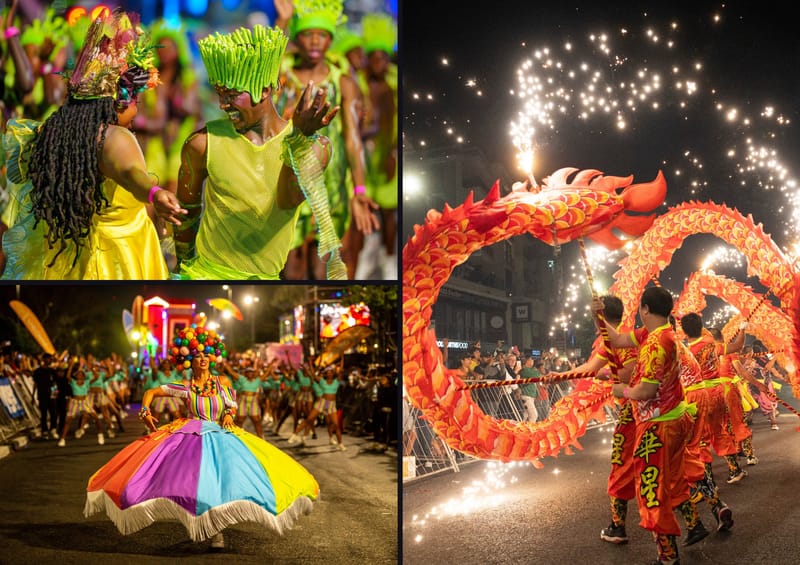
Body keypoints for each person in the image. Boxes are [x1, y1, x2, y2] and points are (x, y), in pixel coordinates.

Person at [84, 328, 319, 551]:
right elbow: (151, 392)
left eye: (207, 355)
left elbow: (231, 405)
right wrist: (145, 411)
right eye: (197, 356)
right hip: (191, 436)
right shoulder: (186, 387)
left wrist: (228, 414)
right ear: (189, 361)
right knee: (195, 483)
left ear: (213, 358)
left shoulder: (222, 382)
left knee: (222, 483)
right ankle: (207, 525)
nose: (203, 359)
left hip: (220, 435)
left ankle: (216, 529)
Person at [1, 9, 186, 279]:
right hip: (116, 261)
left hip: (63, 254)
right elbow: (128, 173)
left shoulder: (55, 132)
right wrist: (153, 192)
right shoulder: (114, 137)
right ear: (119, 101)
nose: (136, 112)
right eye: (135, 102)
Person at [173, 24, 343, 280]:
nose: (222, 104)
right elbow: (187, 211)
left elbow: (288, 200)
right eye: (220, 93)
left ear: (265, 89)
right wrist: (181, 270)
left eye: (231, 94)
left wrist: (299, 139)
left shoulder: (317, 147)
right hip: (205, 274)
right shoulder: (201, 143)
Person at [275, 0, 380, 280]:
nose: (314, 41)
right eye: (308, 33)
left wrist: (359, 190)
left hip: (329, 185)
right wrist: (282, 22)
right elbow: (259, 72)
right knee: (290, 269)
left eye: (322, 34)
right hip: (286, 177)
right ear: (297, 37)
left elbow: (353, 140)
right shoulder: (282, 75)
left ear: (331, 39)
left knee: (324, 269)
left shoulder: (343, 81)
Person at [603, 287, 708, 565]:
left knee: (651, 490)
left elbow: (646, 391)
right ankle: (691, 527)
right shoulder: (661, 335)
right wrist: (598, 316)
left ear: (645, 309)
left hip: (657, 427)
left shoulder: (653, 344)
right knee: (672, 483)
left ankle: (668, 556)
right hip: (674, 420)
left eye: (641, 308)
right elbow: (615, 339)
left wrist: (622, 391)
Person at [680, 313, 747, 484]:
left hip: (699, 396)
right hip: (718, 393)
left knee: (700, 438)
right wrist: (742, 329)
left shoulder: (686, 352)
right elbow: (738, 345)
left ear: (685, 332)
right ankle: (735, 469)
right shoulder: (712, 344)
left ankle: (707, 480)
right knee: (719, 431)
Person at [31, 352, 57, 439]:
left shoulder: (52, 371)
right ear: (43, 360)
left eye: (50, 359)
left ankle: (53, 429)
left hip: (51, 395)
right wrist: (32, 395)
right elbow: (35, 384)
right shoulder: (38, 371)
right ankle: (44, 431)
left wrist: (55, 393)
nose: (49, 360)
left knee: (53, 413)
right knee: (44, 414)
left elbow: (54, 383)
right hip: (42, 395)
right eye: (47, 359)